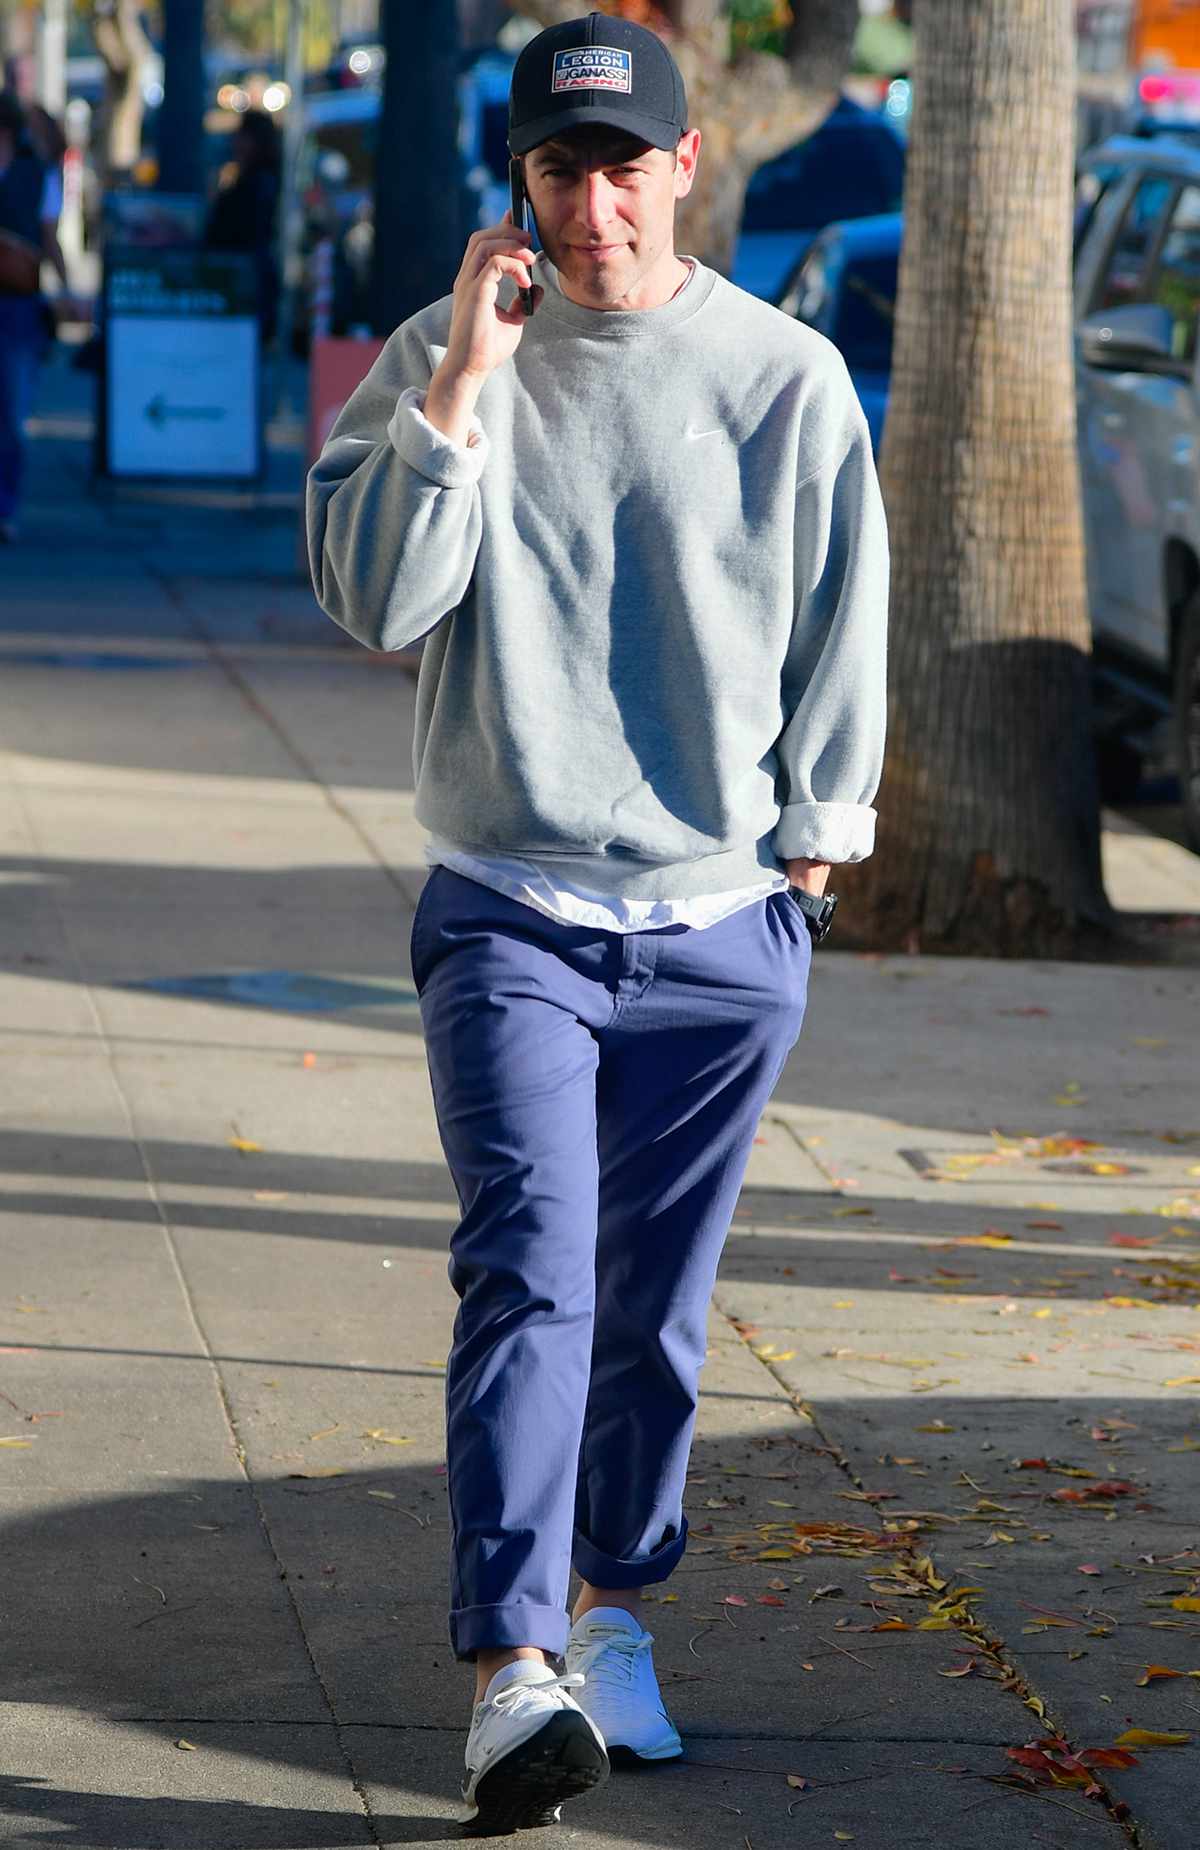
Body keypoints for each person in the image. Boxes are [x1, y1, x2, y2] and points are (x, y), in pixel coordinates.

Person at [307, 11, 888, 1836]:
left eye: (625, 163)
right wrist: (461, 395)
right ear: (526, 182)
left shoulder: (785, 376)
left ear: (683, 164)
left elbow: (838, 622)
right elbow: (378, 603)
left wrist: (813, 842)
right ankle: (509, 1668)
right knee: (535, 1269)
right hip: (514, 913)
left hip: (722, 928)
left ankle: (612, 1607)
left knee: (655, 1313)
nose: (595, 203)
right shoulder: (441, 352)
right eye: (562, 169)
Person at [0, 91, 53, 543]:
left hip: (18, 302)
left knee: (13, 413)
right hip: (19, 303)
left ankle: (5, 507)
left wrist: (67, 287)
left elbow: (48, 235)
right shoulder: (36, 172)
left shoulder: (33, 172)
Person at [203, 107, 281, 342]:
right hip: (242, 281)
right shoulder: (251, 180)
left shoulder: (257, 185)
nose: (235, 142)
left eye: (242, 136)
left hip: (241, 283)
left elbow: (236, 232)